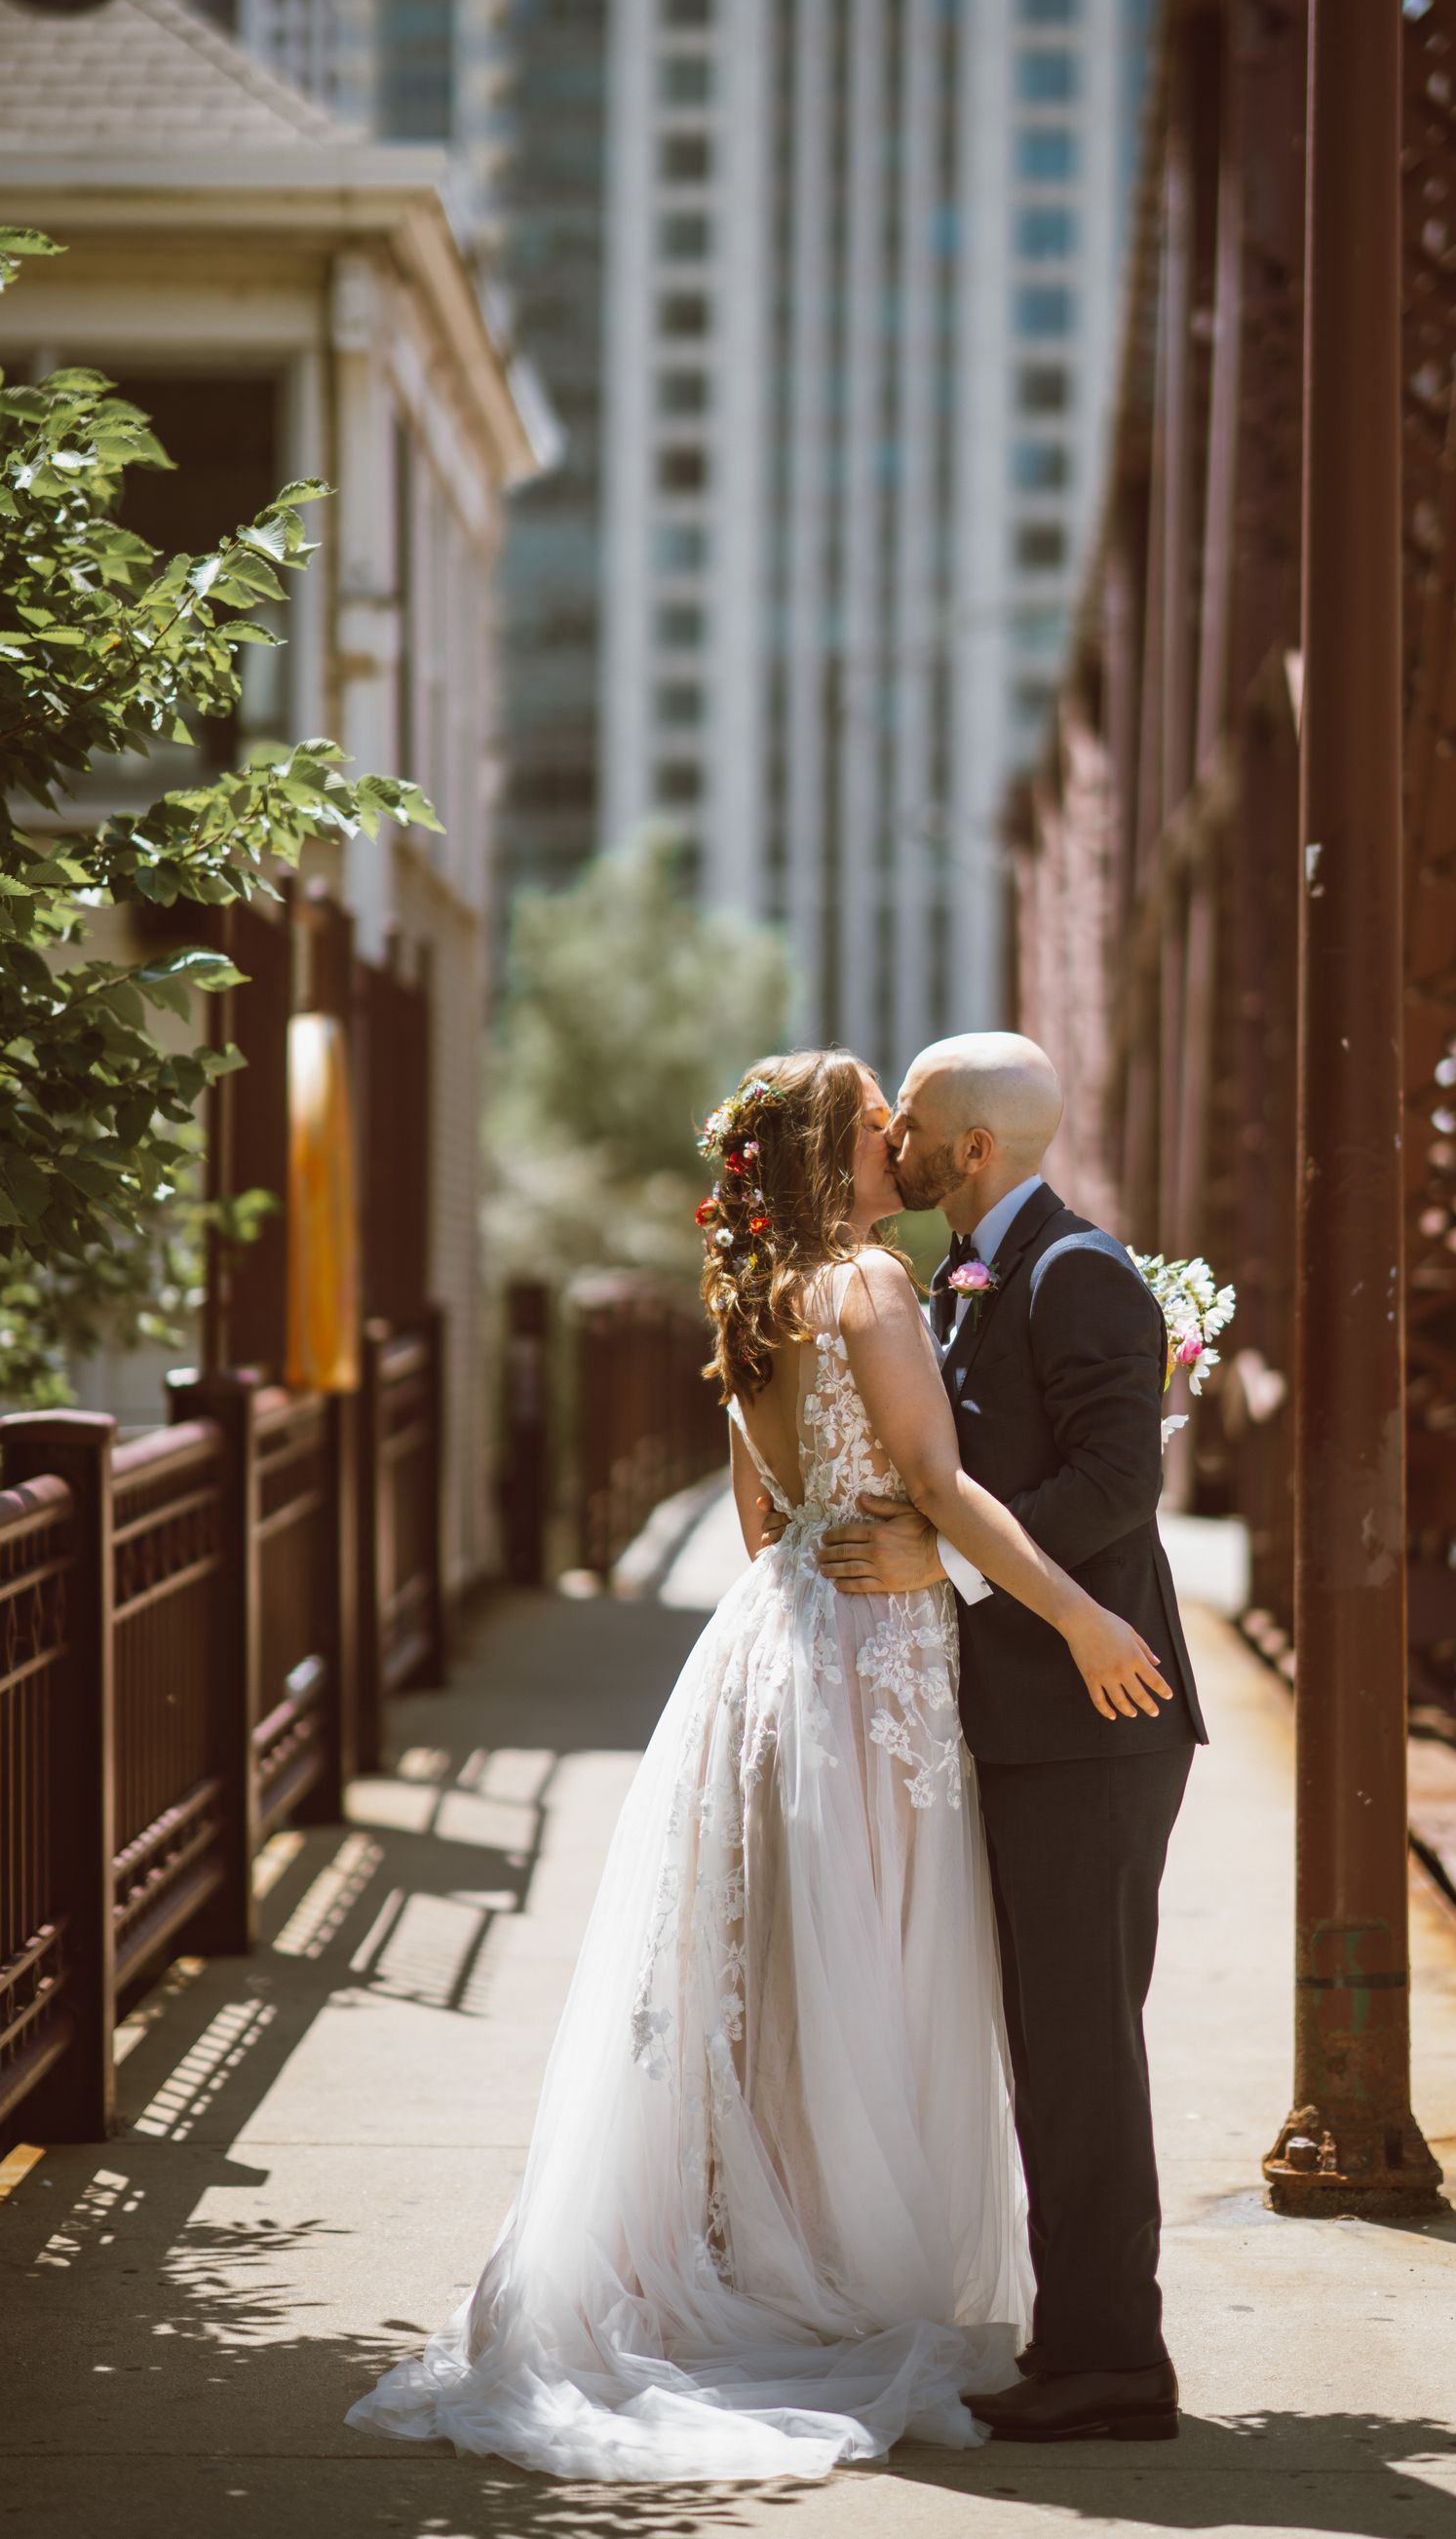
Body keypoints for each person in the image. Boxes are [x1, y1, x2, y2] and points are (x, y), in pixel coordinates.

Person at [346, 1048, 1170, 2484]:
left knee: (783, 1975)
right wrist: (1078, 1611)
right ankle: (857, 2283)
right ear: (829, 1153)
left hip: (777, 1648)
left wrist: (820, 1610)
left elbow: (760, 1519)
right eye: (870, 1120)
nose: (893, 1135)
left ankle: (773, 2260)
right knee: (879, 1975)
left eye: (905, 1118)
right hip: (880, 1661)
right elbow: (933, 1481)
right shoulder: (875, 1287)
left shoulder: (756, 1302)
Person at [810, 1030, 1207, 2445]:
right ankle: (1082, 2339)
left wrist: (949, 1559)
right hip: (1035, 1724)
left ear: (970, 1149)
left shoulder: (1074, 1269)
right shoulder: (986, 1270)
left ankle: (1115, 2360)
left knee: (1082, 2046)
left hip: (1095, 1726)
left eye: (909, 1120)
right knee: (1056, 2040)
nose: (892, 1139)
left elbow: (1117, 1483)